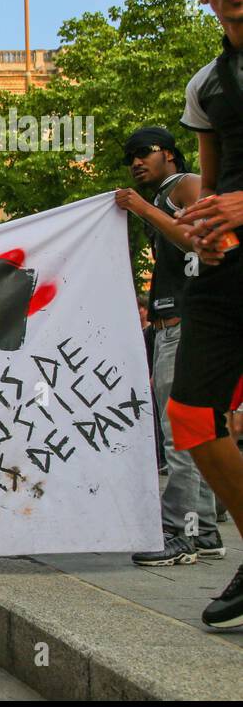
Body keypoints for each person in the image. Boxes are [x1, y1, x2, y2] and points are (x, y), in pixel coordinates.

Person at [164, 0, 243, 628]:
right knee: (189, 413)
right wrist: (205, 229)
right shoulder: (206, 86)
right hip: (231, 265)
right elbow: (211, 183)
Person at [115, 128, 223, 565]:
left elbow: (199, 237)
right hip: (174, 326)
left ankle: (180, 533)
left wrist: (140, 208)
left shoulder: (186, 185)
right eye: (131, 157)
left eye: (144, 152)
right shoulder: (163, 195)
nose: (136, 162)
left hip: (183, 327)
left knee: (180, 433)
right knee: (192, 431)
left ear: (170, 155)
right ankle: (208, 532)